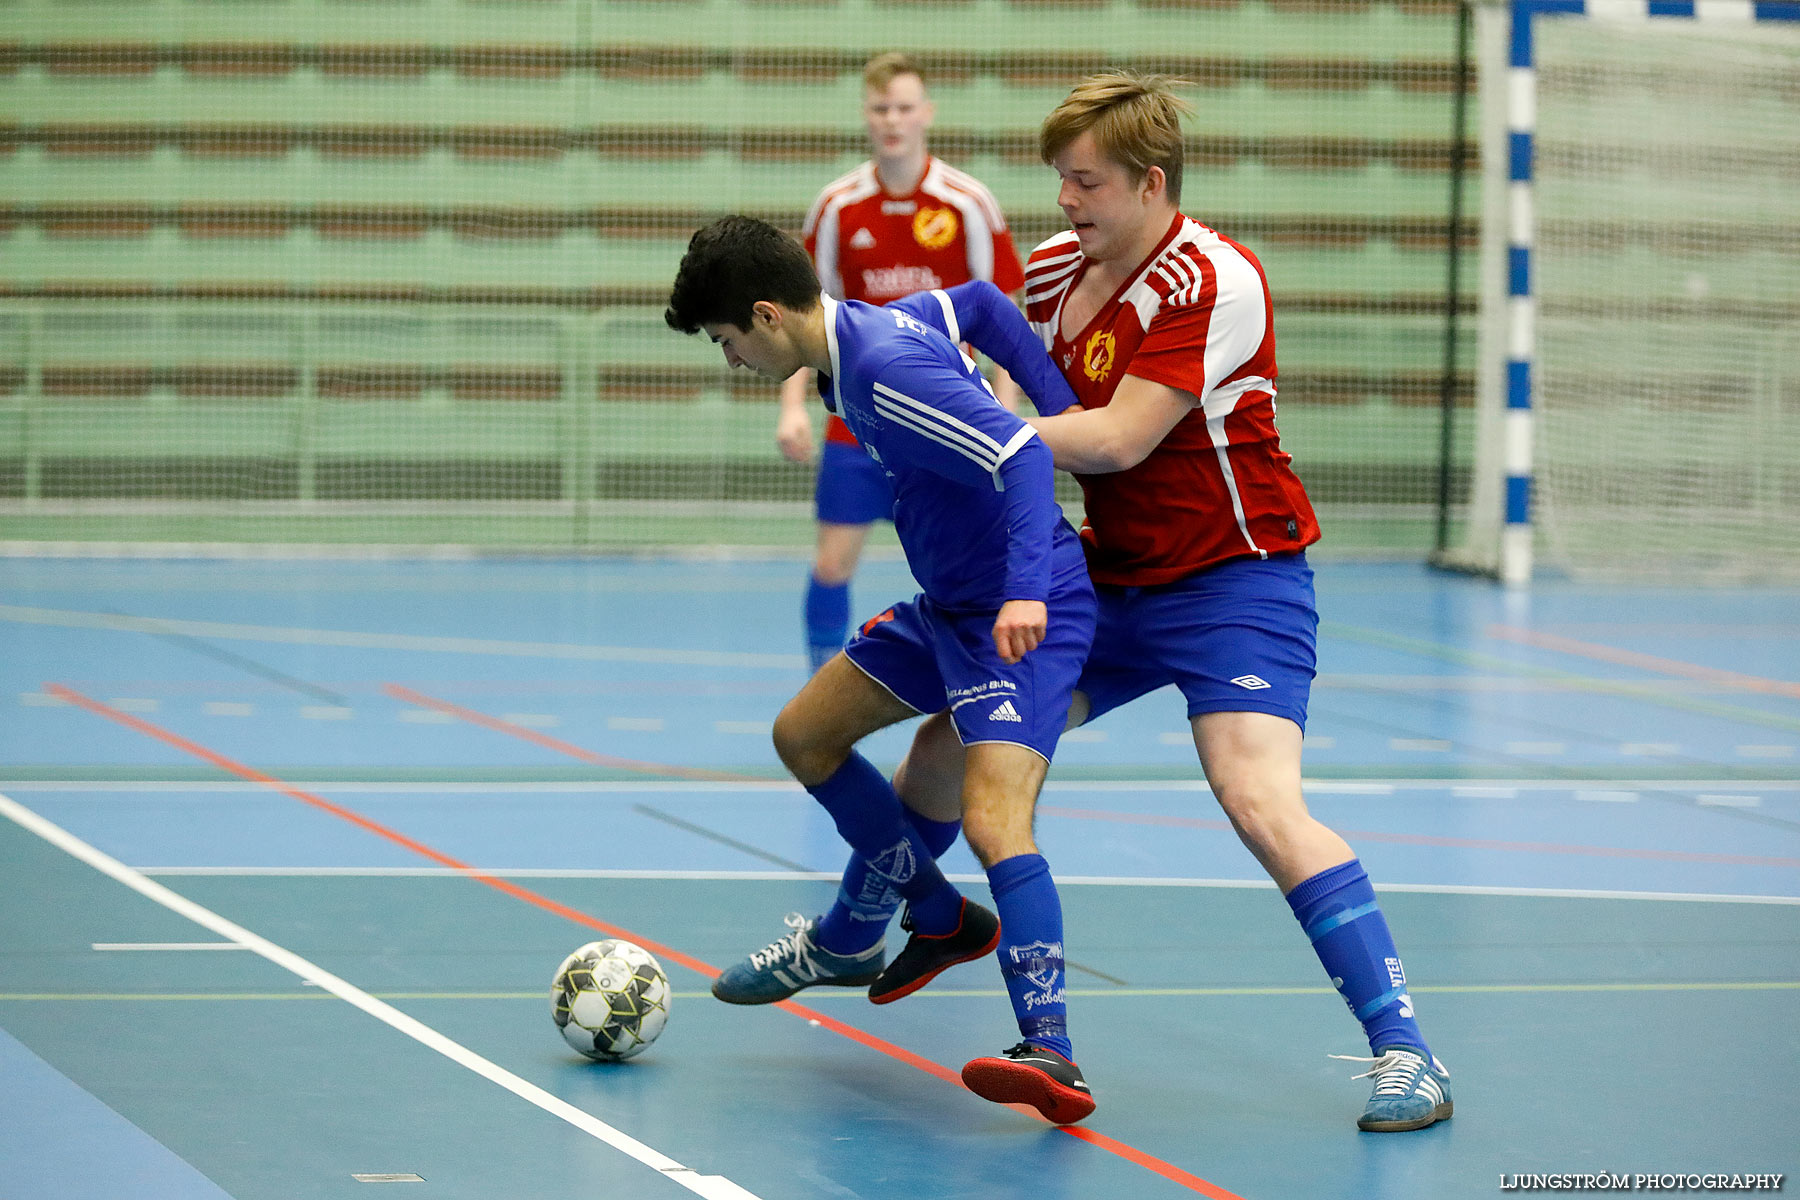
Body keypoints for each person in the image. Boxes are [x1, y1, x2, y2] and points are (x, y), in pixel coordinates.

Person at [774, 72, 1455, 1133]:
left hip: (1237, 579)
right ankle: (862, 925)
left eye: (1084, 182)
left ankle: (1406, 1050)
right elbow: (992, 362)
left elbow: (1121, 435)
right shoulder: (1054, 271)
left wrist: (943, 432)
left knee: (1258, 799)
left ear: (1149, 183)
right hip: (1104, 577)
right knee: (953, 741)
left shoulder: (1215, 280)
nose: (1065, 202)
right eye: (1058, 181)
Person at [666, 216, 1098, 1124]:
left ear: (765, 314)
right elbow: (979, 303)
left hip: (1012, 612)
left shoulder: (880, 369)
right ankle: (938, 916)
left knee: (993, 817)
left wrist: (1027, 583)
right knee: (804, 734)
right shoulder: (863, 334)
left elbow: (1021, 455)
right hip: (948, 603)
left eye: (727, 341)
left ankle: (1053, 1050)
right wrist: (1066, 407)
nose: (731, 360)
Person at [779, 52, 1029, 673]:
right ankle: (822, 689)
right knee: (832, 564)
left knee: (965, 564)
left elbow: (1003, 311)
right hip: (857, 417)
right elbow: (799, 317)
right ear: (866, 116)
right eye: (881, 108)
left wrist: (1007, 405)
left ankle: (982, 692)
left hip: (948, 409)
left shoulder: (967, 203)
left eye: (904, 108)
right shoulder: (838, 206)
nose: (893, 120)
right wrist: (791, 409)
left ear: (927, 115)